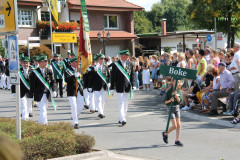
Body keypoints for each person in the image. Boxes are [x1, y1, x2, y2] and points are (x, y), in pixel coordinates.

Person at [110, 49, 135, 126]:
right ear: (122, 56)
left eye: (128, 55)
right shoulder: (115, 64)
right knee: (121, 102)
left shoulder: (130, 64)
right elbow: (113, 77)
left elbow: (132, 75)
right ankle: (123, 119)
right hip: (119, 86)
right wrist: (112, 87)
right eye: (126, 55)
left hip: (127, 86)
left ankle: (121, 117)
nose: (128, 57)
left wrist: (133, 85)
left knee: (126, 103)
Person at [30, 54, 56, 124]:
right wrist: (31, 95)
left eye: (46, 61)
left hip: (47, 93)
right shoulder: (34, 72)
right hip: (39, 94)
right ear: (40, 62)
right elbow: (32, 85)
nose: (46, 63)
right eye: (44, 61)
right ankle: (45, 123)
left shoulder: (49, 71)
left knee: (44, 109)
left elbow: (53, 81)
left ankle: (39, 122)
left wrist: (54, 90)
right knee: (43, 109)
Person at [65, 57, 85, 129]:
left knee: (81, 106)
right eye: (76, 62)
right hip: (71, 91)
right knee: (74, 106)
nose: (77, 63)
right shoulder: (67, 70)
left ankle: (74, 115)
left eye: (78, 62)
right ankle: (76, 122)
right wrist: (74, 76)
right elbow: (66, 79)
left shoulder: (79, 70)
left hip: (79, 90)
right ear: (72, 63)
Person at [162, 79, 183, 146]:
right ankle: (165, 133)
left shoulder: (179, 91)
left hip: (177, 108)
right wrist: (170, 100)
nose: (178, 83)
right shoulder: (169, 92)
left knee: (179, 125)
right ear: (173, 82)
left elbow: (180, 101)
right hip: (171, 109)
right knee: (174, 126)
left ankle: (177, 140)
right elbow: (165, 102)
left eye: (179, 82)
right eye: (176, 82)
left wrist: (176, 96)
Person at [91, 53, 110, 118]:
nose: (102, 60)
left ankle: (101, 111)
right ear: (98, 60)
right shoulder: (95, 67)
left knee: (103, 100)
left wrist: (109, 82)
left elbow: (108, 76)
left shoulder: (106, 66)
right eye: (101, 59)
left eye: (103, 59)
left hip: (104, 86)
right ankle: (100, 113)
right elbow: (91, 77)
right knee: (98, 99)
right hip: (96, 86)